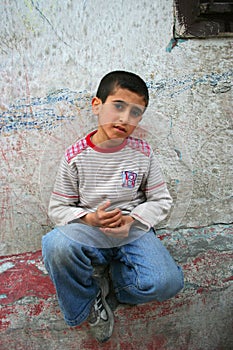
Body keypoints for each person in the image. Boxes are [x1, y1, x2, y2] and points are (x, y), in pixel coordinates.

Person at [42, 70, 184, 343]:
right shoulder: (76, 157)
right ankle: (89, 298)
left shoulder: (142, 153)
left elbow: (161, 199)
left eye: (135, 112)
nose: (124, 118)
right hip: (90, 231)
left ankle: (117, 285)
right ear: (97, 105)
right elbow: (59, 207)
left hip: (132, 230)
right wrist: (90, 218)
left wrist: (133, 221)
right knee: (56, 245)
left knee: (168, 282)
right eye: (118, 106)